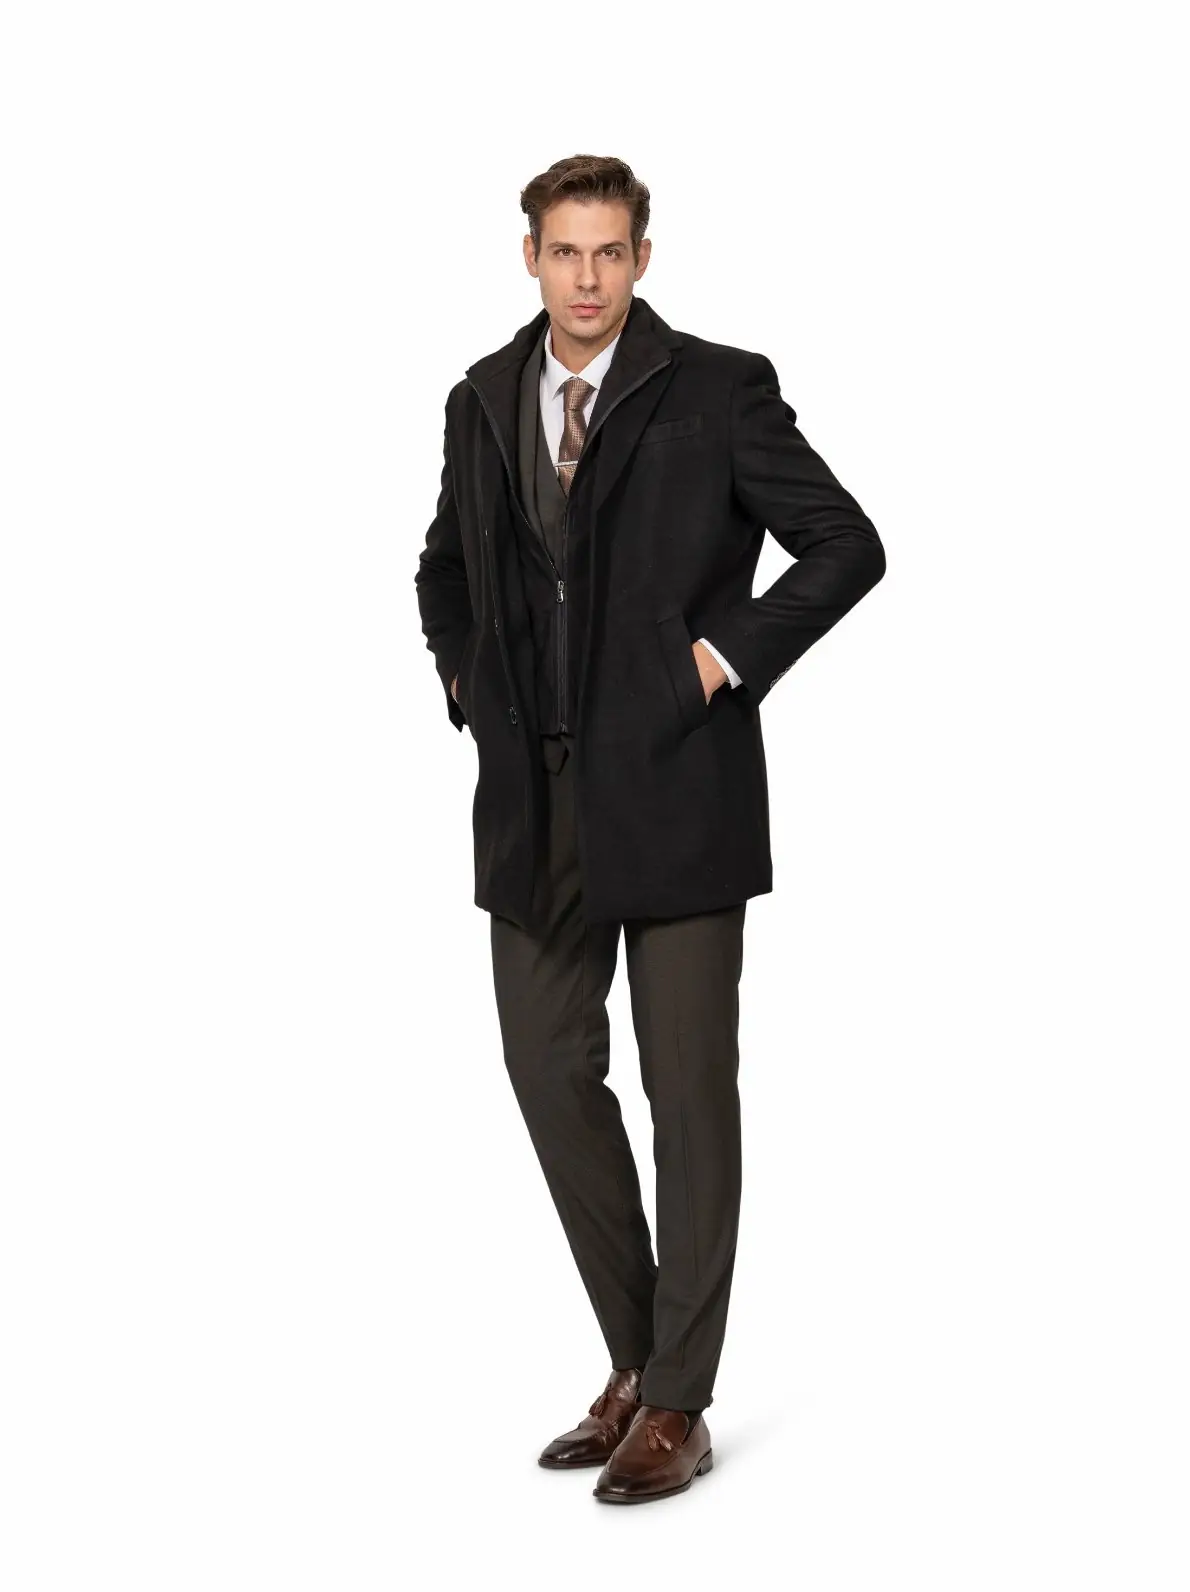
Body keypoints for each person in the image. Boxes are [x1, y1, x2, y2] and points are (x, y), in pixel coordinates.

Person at [414, 153, 885, 1503]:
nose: (587, 278)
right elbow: (445, 567)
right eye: (565, 252)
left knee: (688, 1096)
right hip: (534, 802)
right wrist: (468, 679)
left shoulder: (717, 388)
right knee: (546, 1066)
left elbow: (845, 542)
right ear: (530, 257)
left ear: (642, 258)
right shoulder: (481, 397)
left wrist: (716, 662)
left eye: (609, 252)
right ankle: (640, 1357)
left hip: (678, 788)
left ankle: (679, 1399)